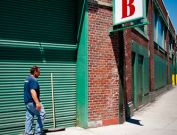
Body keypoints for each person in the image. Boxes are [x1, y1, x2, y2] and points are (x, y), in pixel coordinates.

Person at [24, 66, 45, 135]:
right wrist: (37, 103)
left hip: (27, 102)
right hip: (32, 102)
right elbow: (33, 91)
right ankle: (38, 133)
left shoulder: (27, 79)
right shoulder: (33, 80)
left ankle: (28, 133)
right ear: (35, 72)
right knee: (42, 114)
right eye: (39, 72)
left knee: (29, 117)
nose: (40, 74)